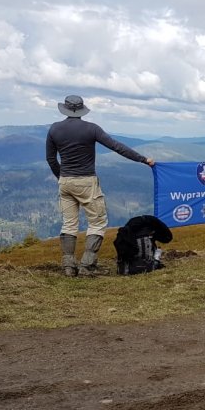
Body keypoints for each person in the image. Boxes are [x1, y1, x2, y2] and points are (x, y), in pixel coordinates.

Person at [46, 95, 155, 277]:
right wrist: (143, 159)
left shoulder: (54, 129)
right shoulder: (91, 129)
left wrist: (61, 177)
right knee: (97, 222)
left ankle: (68, 266)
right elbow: (117, 147)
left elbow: (51, 159)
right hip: (87, 181)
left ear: (64, 109)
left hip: (65, 182)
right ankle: (86, 265)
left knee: (69, 224)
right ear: (82, 110)